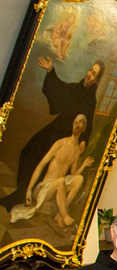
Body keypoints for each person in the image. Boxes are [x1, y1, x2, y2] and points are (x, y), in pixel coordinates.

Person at [0, 56, 103, 212]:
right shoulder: (76, 88)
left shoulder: (91, 99)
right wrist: (50, 70)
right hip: (55, 129)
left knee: (48, 165)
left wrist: (84, 140)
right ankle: (21, 193)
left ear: (96, 80)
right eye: (90, 70)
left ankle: (27, 197)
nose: (89, 74)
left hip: (66, 136)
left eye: (94, 74)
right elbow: (60, 88)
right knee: (29, 152)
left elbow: (88, 122)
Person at [10, 113, 93, 226]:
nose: (77, 125)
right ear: (72, 125)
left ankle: (59, 214)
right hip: (44, 188)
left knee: (79, 179)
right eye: (75, 122)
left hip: (59, 187)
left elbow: (73, 174)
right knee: (60, 181)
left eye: (80, 123)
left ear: (83, 128)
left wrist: (83, 165)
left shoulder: (76, 150)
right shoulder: (60, 144)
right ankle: (64, 216)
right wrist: (29, 189)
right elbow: (41, 165)